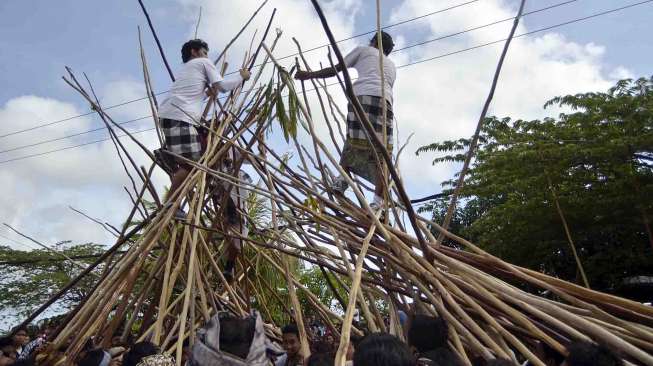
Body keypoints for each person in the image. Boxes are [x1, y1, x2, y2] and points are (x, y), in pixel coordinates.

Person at [295, 31, 396, 211]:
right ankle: (378, 203)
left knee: (353, 142)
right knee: (382, 154)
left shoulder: (364, 50)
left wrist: (309, 75)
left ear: (373, 41)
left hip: (363, 97)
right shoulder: (391, 66)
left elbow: (335, 69)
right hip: (386, 104)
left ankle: (341, 182)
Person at [157, 38, 251, 217]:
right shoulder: (203, 62)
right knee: (191, 163)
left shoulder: (187, 70)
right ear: (195, 51)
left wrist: (208, 93)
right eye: (205, 52)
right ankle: (170, 204)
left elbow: (193, 95)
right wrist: (242, 77)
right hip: (179, 117)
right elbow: (223, 87)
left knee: (191, 162)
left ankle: (171, 204)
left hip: (174, 115)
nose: (207, 56)